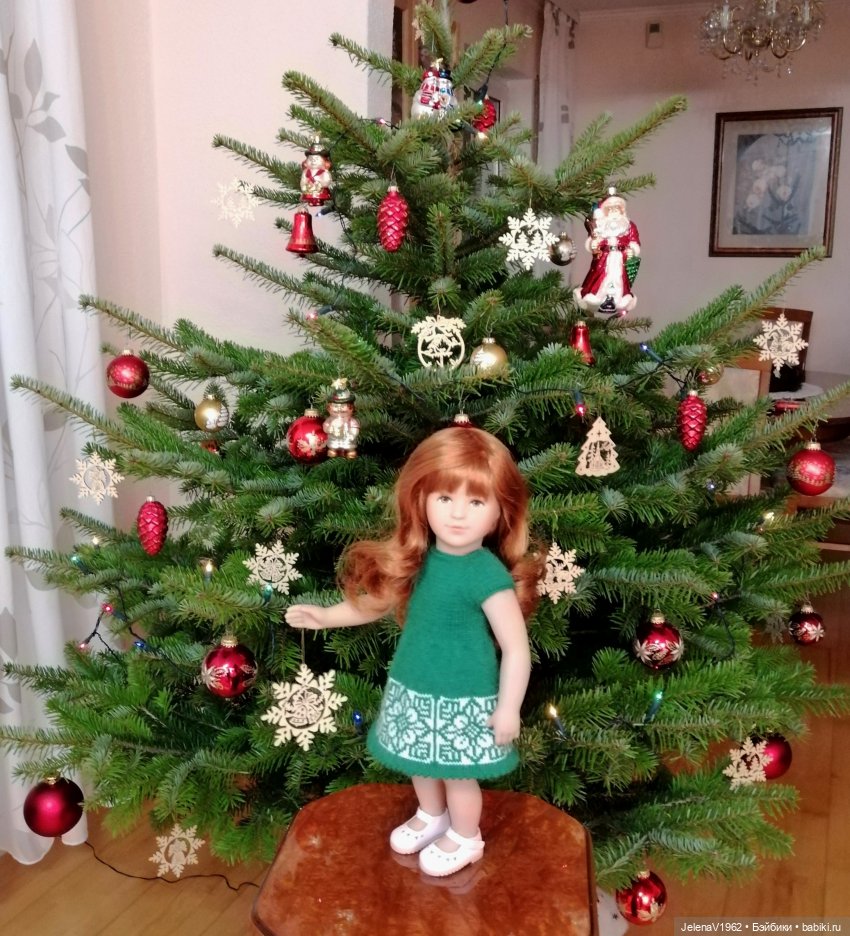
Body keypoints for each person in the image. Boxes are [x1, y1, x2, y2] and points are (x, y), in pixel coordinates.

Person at [285, 427, 542, 877]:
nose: (458, 513)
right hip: (415, 684)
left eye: (476, 502)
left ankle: (466, 836)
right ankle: (431, 815)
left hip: (463, 694)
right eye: (444, 498)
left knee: (458, 774)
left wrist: (508, 708)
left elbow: (516, 648)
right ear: (420, 499)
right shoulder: (418, 559)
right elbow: (375, 603)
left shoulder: (486, 575)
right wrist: (325, 617)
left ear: (500, 513)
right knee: (419, 762)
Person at [573, 188, 640, 315]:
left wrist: (632, 250)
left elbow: (634, 241)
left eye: (617, 208)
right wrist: (593, 244)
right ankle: (597, 298)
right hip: (604, 258)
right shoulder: (601, 225)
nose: (614, 211)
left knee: (619, 278)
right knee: (600, 277)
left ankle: (617, 299)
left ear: (622, 210)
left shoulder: (629, 226)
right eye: (610, 209)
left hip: (621, 258)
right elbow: (594, 240)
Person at [300, 140, 333, 206]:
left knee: (322, 195)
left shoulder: (324, 172)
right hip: (309, 190)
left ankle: (319, 201)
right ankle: (311, 201)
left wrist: (321, 184)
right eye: (311, 159)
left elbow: (327, 180)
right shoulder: (306, 172)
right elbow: (303, 180)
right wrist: (303, 186)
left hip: (321, 190)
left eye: (317, 159)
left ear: (324, 161)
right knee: (307, 196)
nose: (313, 161)